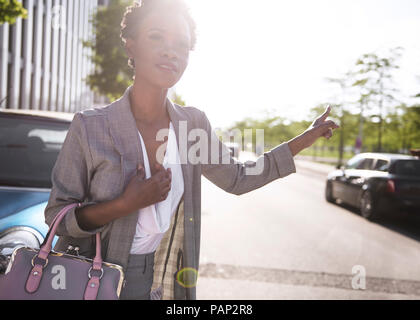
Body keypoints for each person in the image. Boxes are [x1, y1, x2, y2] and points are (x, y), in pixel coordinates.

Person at [44, 0, 339, 300]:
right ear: (130, 46)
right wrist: (124, 204)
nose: (170, 50)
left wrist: (303, 139)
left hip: (159, 277)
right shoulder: (90, 126)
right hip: (91, 279)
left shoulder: (192, 125)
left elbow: (238, 178)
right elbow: (59, 217)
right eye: (156, 36)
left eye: (181, 44)